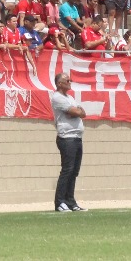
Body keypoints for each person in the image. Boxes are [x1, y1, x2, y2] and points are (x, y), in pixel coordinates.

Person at [49, 73, 86, 213]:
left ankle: (71, 201)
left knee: (74, 172)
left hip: (77, 137)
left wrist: (77, 112)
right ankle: (60, 202)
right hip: (67, 138)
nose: (70, 82)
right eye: (67, 80)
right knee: (67, 170)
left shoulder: (70, 98)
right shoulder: (57, 97)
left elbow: (82, 112)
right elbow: (75, 111)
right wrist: (76, 112)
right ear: (59, 83)